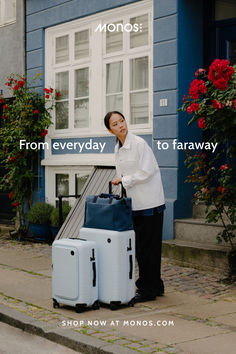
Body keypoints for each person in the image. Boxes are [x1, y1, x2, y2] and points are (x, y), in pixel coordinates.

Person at [104, 111, 165, 303]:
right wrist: (121, 182)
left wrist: (124, 180)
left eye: (122, 121)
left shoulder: (139, 144)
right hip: (135, 203)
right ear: (110, 129)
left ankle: (148, 289)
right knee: (142, 248)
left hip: (150, 203)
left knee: (149, 248)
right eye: (115, 124)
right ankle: (155, 285)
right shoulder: (118, 148)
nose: (121, 125)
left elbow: (147, 171)